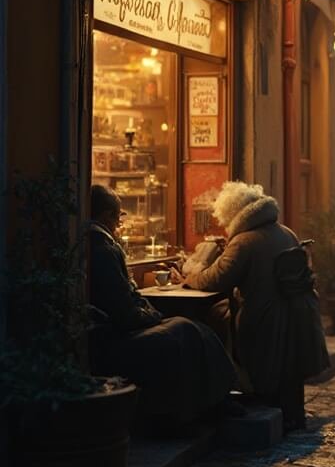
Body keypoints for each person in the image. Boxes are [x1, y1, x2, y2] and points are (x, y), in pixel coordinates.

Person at [87, 185, 238, 432]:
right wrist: (152, 317)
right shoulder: (102, 249)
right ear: (107, 217)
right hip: (113, 336)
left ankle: (215, 399)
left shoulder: (100, 245)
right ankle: (211, 402)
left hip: (119, 328)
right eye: (119, 216)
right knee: (186, 330)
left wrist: (150, 314)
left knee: (191, 328)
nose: (119, 223)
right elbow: (123, 310)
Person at [181, 181, 329, 431]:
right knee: (287, 372)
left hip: (262, 317)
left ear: (231, 213)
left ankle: (245, 402)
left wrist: (189, 275)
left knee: (216, 327)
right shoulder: (285, 232)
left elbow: (214, 280)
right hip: (292, 313)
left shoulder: (244, 242)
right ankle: (291, 415)